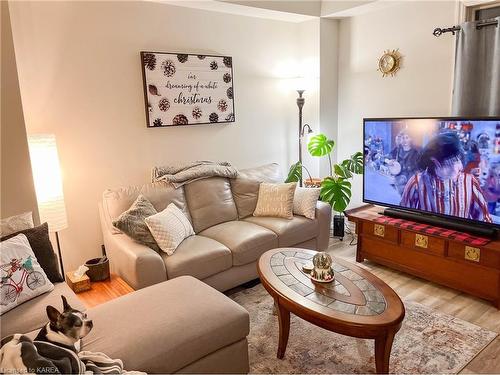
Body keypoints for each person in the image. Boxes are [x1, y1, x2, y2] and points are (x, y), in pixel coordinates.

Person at [400, 132, 492, 222]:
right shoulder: (416, 182)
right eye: (454, 161)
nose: (460, 166)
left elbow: (484, 220)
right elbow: (403, 217)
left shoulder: (469, 182)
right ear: (436, 162)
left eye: (459, 159)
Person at [387, 129, 420, 194]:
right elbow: (388, 157)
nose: (405, 140)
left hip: (411, 181)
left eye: (407, 138)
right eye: (403, 138)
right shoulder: (397, 149)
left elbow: (421, 167)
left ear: (411, 139)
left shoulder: (416, 152)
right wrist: (389, 161)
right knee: (403, 198)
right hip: (399, 181)